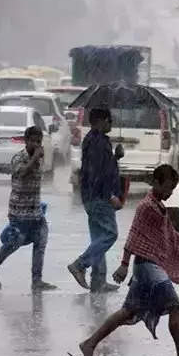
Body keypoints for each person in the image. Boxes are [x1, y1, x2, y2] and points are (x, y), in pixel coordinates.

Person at [73, 165, 179, 356]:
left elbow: (170, 236)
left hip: (147, 268)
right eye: (167, 187)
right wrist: (124, 265)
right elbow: (135, 236)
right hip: (148, 268)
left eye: (173, 188)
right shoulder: (147, 207)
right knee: (176, 307)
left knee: (127, 312)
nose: (170, 192)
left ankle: (89, 344)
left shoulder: (157, 206)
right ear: (156, 183)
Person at [0, 125, 57, 291]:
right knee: (14, 242)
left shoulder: (38, 159)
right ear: (26, 141)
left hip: (35, 210)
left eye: (39, 142)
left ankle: (37, 280)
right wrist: (34, 158)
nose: (37, 145)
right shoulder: (19, 158)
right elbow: (22, 173)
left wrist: (37, 158)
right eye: (34, 141)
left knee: (41, 241)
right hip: (19, 211)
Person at [67, 108, 125, 292]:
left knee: (98, 238)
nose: (111, 124)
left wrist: (116, 156)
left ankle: (98, 281)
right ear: (101, 121)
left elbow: (104, 167)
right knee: (110, 234)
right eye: (109, 121)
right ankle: (80, 264)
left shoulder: (95, 140)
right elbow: (99, 174)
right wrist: (111, 196)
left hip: (92, 196)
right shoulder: (98, 142)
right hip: (99, 196)